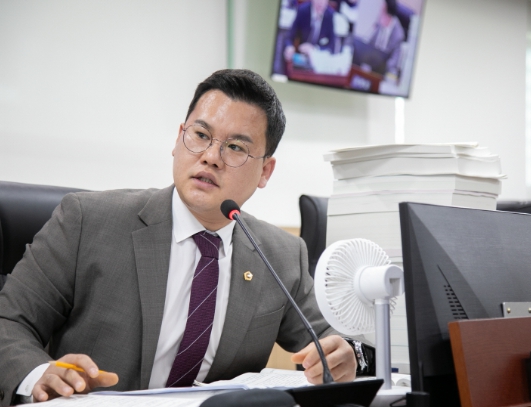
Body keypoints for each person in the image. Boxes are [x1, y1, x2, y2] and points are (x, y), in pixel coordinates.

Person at [0, 69, 365, 406]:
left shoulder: (280, 254)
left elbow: (331, 342)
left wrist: (344, 355)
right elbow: (9, 321)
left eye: (236, 148)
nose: (211, 157)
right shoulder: (87, 221)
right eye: (201, 136)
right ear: (179, 139)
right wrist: (38, 375)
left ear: (265, 171)